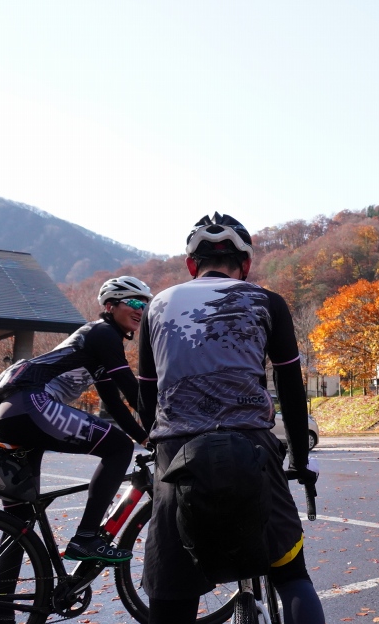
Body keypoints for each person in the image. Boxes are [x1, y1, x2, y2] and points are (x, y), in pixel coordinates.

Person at [138, 213, 324, 624]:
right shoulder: (266, 301)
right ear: (246, 266)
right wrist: (300, 461)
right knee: (291, 574)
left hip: (177, 455)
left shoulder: (157, 306)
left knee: (171, 590)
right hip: (251, 447)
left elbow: (146, 400)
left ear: (192, 265)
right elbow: (292, 393)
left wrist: (154, 449)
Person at [0, 275, 153, 564]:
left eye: (147, 305)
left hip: (8, 415)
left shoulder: (95, 344)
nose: (142, 310)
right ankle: (87, 537)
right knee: (118, 448)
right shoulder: (103, 333)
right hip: (31, 404)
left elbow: (114, 402)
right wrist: (165, 422)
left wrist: (145, 437)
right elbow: (130, 385)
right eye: (136, 302)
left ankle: (3, 610)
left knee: (19, 523)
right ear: (111, 305)